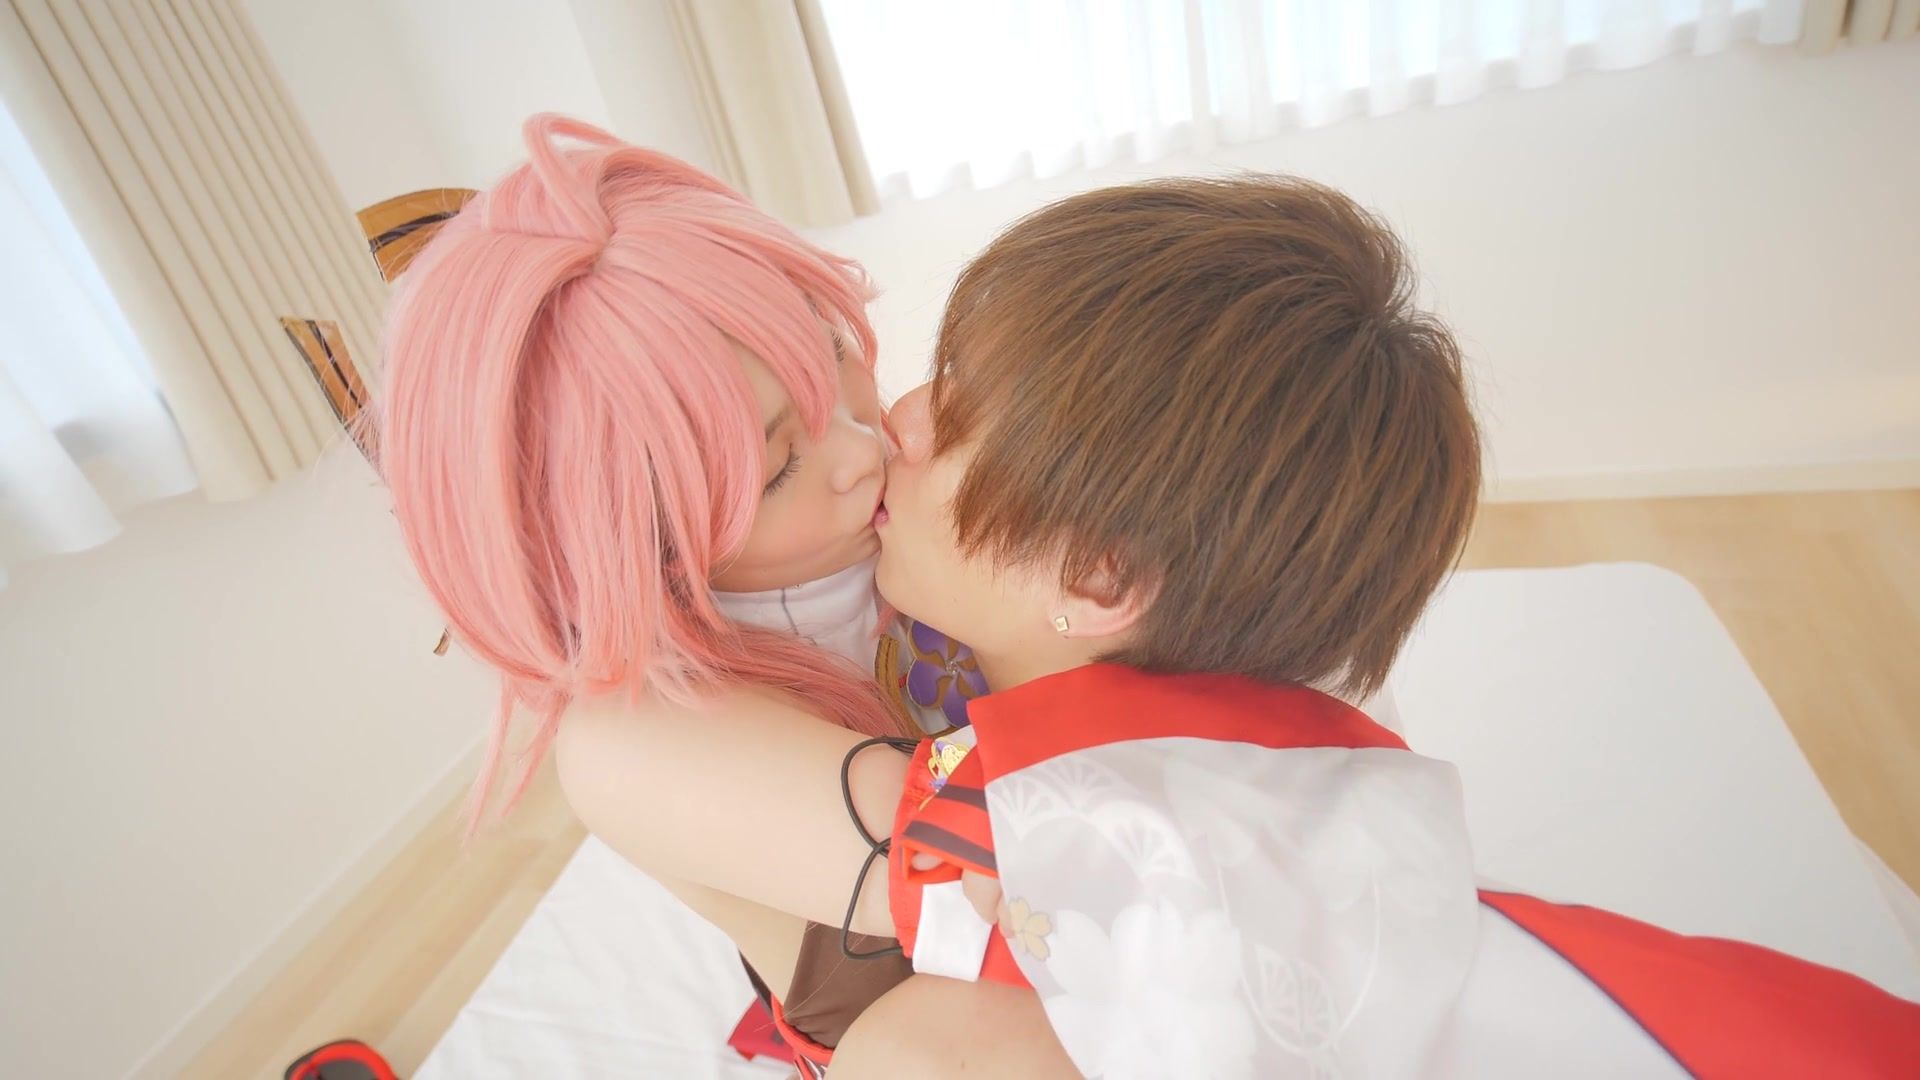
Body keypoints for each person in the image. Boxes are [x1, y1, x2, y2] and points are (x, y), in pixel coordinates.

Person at [832, 176, 1920, 1077]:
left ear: (1099, 575)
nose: (900, 416)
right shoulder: (1265, 672)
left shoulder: (1081, 827)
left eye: (958, 410)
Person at [374, 114, 985, 1072]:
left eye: (831, 352)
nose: (861, 451)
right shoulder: (631, 740)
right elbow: (1017, 889)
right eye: (778, 469)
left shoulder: (897, 465)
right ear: (630, 546)